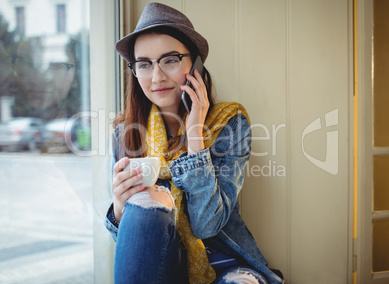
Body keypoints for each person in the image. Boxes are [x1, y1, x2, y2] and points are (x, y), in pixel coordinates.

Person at [104, 2, 284, 284]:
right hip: (165, 265)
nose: (157, 76)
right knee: (147, 203)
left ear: (195, 64)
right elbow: (133, 251)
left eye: (170, 59)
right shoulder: (124, 133)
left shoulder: (228, 123)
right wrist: (118, 208)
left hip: (227, 266)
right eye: (144, 64)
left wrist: (196, 135)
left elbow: (207, 225)